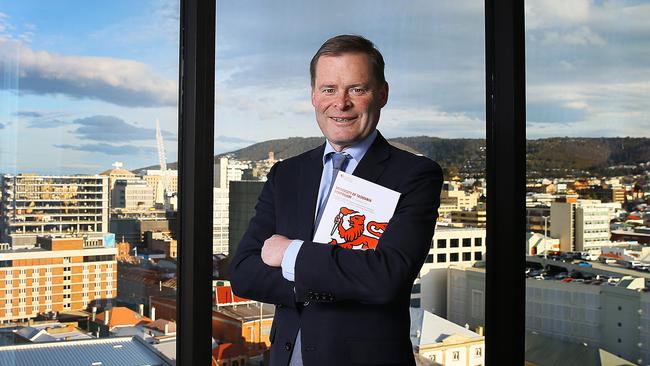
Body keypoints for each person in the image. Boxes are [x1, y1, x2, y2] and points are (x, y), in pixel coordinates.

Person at [230, 34, 443, 366]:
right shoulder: (286, 174)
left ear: (382, 94)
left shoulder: (415, 175)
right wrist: (339, 278)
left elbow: (385, 278)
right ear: (314, 96)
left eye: (357, 89)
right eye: (328, 89)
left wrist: (289, 253)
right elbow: (244, 272)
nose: (340, 103)